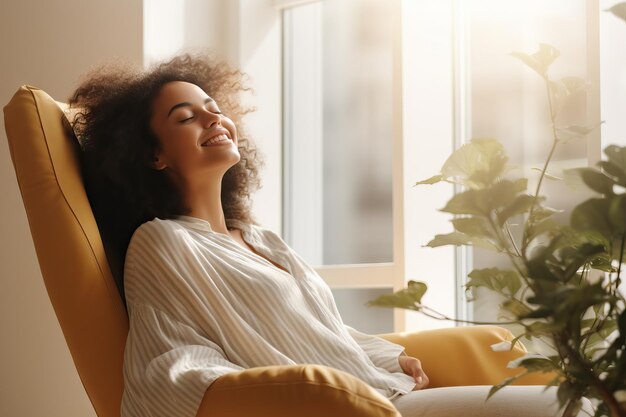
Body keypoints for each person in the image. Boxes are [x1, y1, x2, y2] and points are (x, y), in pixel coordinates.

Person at [69, 54, 586, 417]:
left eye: (212, 105)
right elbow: (172, 363)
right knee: (572, 409)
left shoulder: (263, 240)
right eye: (186, 116)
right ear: (153, 156)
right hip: (359, 408)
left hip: (382, 395)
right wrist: (312, 395)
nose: (212, 116)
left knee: (582, 403)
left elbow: (326, 334)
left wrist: (390, 358)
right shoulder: (163, 244)